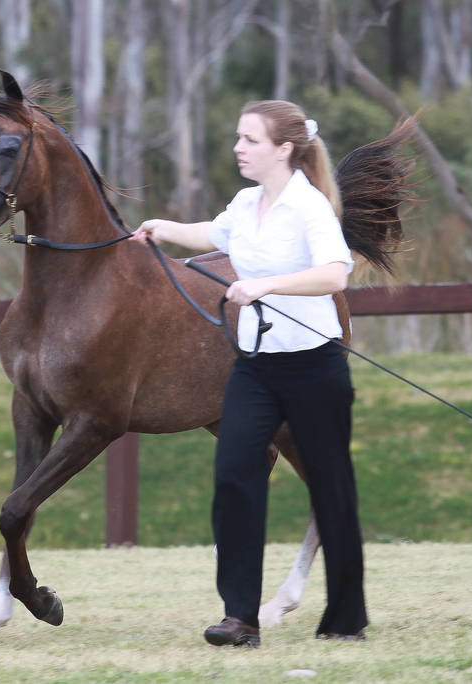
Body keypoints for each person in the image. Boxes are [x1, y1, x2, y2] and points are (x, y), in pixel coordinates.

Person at [132, 99, 378, 647]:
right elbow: (214, 234)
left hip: (315, 367)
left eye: (250, 140)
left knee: (332, 490)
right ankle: (240, 618)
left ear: (283, 148)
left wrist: (266, 286)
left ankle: (345, 619)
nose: (239, 148)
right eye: (239, 138)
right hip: (255, 368)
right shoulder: (246, 204)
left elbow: (336, 273)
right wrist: (161, 228)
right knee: (235, 479)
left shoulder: (307, 207)